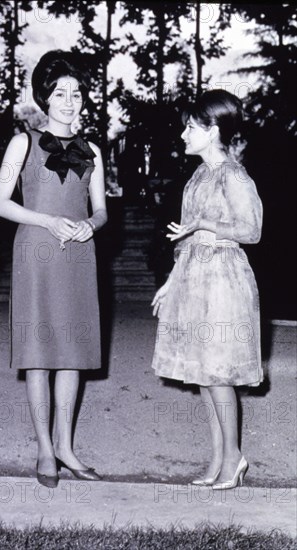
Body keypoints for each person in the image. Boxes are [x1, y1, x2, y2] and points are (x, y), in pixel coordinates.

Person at [0, 50, 107, 487]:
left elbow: (101, 210)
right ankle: (44, 449)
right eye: (61, 92)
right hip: (36, 254)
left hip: (78, 254)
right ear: (45, 96)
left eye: (76, 93)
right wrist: (48, 220)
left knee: (72, 354)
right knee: (39, 355)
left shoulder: (93, 149)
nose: (70, 100)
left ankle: (66, 447)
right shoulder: (22, 142)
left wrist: (89, 226)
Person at [151, 89, 263, 490]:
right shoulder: (198, 175)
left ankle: (234, 458)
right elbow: (184, 237)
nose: (183, 134)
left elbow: (251, 231)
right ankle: (218, 458)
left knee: (219, 374)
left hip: (225, 283)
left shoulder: (233, 174)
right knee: (203, 373)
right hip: (195, 280)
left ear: (214, 130)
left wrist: (204, 227)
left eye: (191, 127)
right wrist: (170, 282)